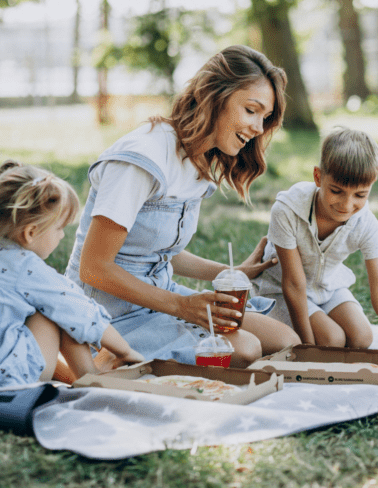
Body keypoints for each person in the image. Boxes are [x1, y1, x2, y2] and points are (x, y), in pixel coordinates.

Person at [65, 45, 301, 368]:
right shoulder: (142, 159)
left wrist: (229, 273)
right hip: (105, 316)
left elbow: (159, 249)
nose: (259, 129)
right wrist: (182, 306)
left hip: (160, 301)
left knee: (285, 339)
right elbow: (93, 267)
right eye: (251, 110)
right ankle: (103, 362)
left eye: (265, 118)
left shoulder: (198, 161)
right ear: (213, 96)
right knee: (245, 349)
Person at [0, 161, 144, 390]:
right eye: (59, 228)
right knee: (60, 309)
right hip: (5, 382)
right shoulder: (24, 268)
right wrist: (126, 350)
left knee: (52, 306)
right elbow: (81, 311)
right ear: (31, 232)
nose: (63, 236)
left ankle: (81, 376)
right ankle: (90, 376)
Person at [253, 128, 378, 356]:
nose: (347, 205)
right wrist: (308, 347)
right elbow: (293, 285)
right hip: (281, 290)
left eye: (360, 195)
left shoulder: (366, 223)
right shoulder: (287, 210)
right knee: (331, 339)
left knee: (362, 338)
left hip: (328, 289)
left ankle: (323, 328)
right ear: (318, 177)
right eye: (337, 191)